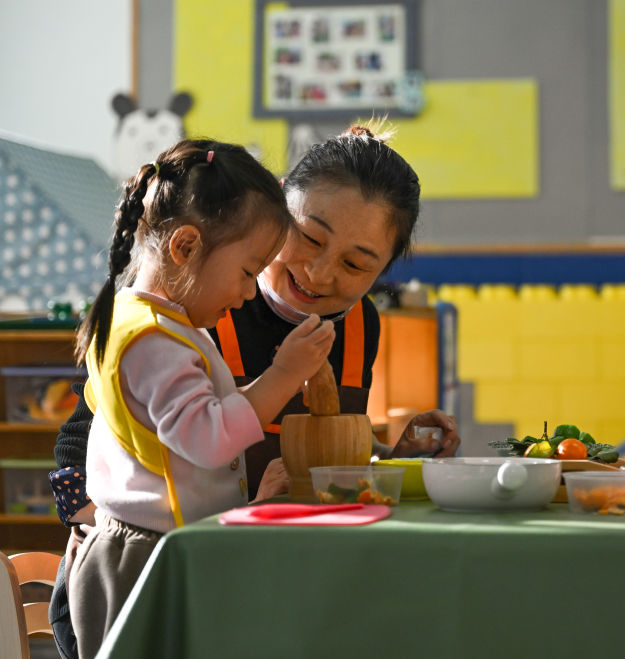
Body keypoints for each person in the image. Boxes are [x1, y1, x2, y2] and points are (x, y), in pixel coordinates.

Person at [48, 123, 461, 658]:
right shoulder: (190, 306)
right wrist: (131, 542)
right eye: (309, 238)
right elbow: (83, 453)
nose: (319, 274)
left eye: (356, 264)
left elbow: (316, 455)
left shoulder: (360, 326)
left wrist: (387, 457)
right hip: (159, 576)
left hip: (267, 571)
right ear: (277, 206)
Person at [67, 138, 337, 658]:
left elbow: (187, 431)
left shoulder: (152, 323)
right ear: (186, 247)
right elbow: (208, 439)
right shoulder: (154, 341)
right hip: (145, 559)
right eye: (247, 271)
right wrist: (284, 374)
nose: (249, 292)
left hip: (153, 545)